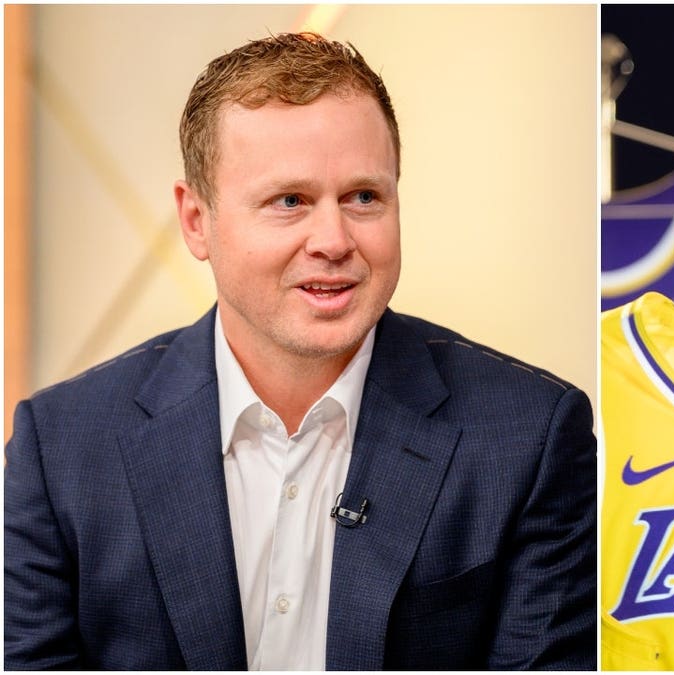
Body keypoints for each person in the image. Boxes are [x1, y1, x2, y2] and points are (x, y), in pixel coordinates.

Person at [4, 32, 596, 670]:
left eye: (363, 198)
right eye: (290, 201)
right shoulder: (61, 447)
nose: (334, 240)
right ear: (197, 220)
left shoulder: (528, 437)